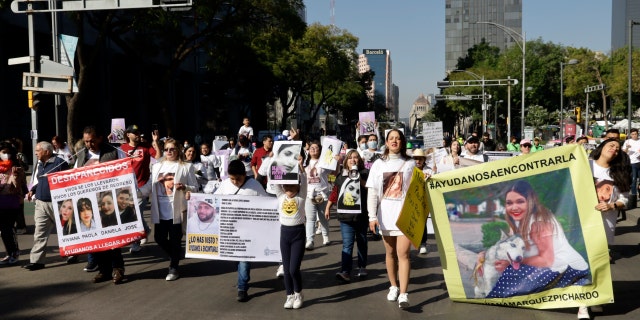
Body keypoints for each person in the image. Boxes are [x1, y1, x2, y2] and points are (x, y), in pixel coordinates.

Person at [477, 181, 590, 299]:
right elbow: (509, 246)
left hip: (567, 267)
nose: (514, 207)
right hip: (542, 265)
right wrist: (485, 255)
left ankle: (576, 283)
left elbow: (547, 261)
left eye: (520, 201)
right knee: (500, 273)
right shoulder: (517, 219)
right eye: (509, 203)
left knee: (508, 277)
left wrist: (511, 264)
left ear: (530, 201)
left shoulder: (539, 222)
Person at [366, 129, 415, 309]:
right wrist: (372, 216)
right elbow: (372, 192)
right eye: (391, 138)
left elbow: (416, 189)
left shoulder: (410, 164)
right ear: (386, 142)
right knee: (390, 253)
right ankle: (393, 286)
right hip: (385, 216)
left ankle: (403, 293)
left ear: (402, 142)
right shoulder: (379, 164)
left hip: (404, 217)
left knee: (404, 254)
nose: (394, 141)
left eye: (398, 138)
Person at [140, 138, 198, 281]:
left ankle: (174, 268)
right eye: (166, 149)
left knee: (175, 239)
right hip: (160, 210)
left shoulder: (186, 167)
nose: (169, 152)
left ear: (178, 150)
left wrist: (185, 187)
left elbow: (195, 187)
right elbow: (149, 186)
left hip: (177, 209)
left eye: (172, 149)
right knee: (159, 238)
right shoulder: (157, 166)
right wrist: (134, 192)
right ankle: (175, 255)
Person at [214, 160, 268, 302]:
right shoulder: (225, 185)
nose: (235, 182)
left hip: (248, 232)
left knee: (244, 260)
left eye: (238, 178)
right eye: (232, 179)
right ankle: (242, 278)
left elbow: (268, 204)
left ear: (245, 175)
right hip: (230, 231)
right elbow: (212, 200)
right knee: (236, 259)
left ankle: (242, 288)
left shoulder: (255, 186)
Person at [76, 126, 119, 272]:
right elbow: (75, 176)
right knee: (95, 239)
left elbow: (124, 172)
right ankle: (103, 270)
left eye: (92, 141)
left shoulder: (113, 152)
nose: (89, 144)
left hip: (108, 202)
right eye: (86, 141)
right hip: (89, 204)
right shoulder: (81, 155)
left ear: (100, 138)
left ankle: (117, 269)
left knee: (112, 239)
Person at [23, 141, 70, 271]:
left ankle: (72, 253)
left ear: (47, 152)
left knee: (66, 230)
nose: (35, 153)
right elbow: (42, 180)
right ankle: (37, 261)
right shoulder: (40, 164)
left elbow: (68, 181)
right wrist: (33, 189)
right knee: (39, 233)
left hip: (58, 204)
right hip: (41, 204)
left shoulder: (60, 163)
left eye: (38, 150)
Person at [325, 149, 369, 282]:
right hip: (346, 217)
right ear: (346, 161)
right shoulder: (341, 176)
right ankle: (345, 271)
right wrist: (328, 207)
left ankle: (362, 267)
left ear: (359, 160)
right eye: (350, 158)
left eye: (356, 157)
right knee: (347, 244)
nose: (353, 160)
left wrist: (358, 177)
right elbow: (335, 192)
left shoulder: (365, 173)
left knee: (362, 242)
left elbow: (369, 188)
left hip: (361, 216)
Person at [117, 124, 160, 253]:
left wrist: (155, 142)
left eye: (138, 132)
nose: (137, 135)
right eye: (134, 133)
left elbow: (158, 157)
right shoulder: (122, 148)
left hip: (143, 186)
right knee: (134, 214)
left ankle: (135, 243)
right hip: (127, 188)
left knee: (134, 215)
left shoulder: (146, 147)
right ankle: (145, 230)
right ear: (128, 135)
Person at [275, 157, 307, 309]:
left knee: (294, 269)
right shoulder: (281, 196)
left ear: (298, 185)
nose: (288, 187)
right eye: (285, 184)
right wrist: (275, 161)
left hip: (298, 234)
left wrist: (300, 167)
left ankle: (298, 293)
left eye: (292, 184)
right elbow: (274, 180)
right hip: (284, 234)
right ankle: (289, 295)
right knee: (286, 269)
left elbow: (305, 180)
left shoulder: (301, 196)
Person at [0, 142, 26, 265]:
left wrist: (15, 176)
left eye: (8, 152)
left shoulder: (17, 167)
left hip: (11, 202)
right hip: (1, 202)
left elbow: (17, 188)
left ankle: (14, 253)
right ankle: (9, 253)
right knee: (3, 230)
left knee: (8, 229)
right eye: (4, 152)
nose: (6, 155)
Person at [303, 140, 332, 250]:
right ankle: (310, 240)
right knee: (310, 219)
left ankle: (325, 236)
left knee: (323, 217)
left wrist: (336, 161)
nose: (313, 149)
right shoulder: (305, 163)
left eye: (316, 148)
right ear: (308, 150)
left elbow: (333, 172)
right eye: (311, 148)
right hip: (309, 194)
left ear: (320, 151)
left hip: (322, 193)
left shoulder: (324, 162)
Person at [93, 192, 126, 284]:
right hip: (94, 211)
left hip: (110, 213)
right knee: (97, 244)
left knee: (113, 243)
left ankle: (118, 270)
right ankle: (104, 272)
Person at [623, 128, 640, 199]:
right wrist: (627, 148)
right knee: (633, 180)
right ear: (630, 135)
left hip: (639, 162)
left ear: (638, 134)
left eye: (635, 134)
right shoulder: (628, 141)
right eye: (632, 134)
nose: (634, 135)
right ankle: (634, 196)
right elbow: (624, 152)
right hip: (632, 163)